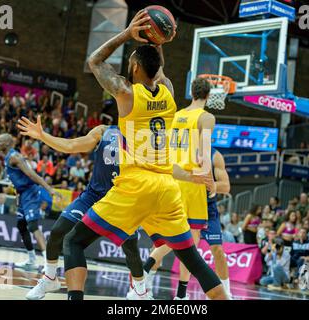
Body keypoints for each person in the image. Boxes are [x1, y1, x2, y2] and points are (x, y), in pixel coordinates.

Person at [63, 10, 227, 301]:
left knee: (73, 242)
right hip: (166, 188)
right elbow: (158, 68)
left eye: (131, 62)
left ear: (136, 67)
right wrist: (159, 39)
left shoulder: (127, 93)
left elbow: (94, 61)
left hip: (135, 185)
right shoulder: (168, 91)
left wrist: (127, 34)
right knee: (192, 259)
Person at [17, 116, 211, 300]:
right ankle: (50, 278)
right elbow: (72, 145)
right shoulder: (104, 131)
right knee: (58, 232)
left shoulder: (144, 138)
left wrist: (191, 174)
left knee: (131, 250)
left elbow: (168, 168)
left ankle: (140, 290)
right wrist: (43, 136)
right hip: (93, 196)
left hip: (124, 201)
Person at [141, 75, 218, 300]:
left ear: (192, 93)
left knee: (175, 238)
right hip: (191, 182)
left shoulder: (177, 115)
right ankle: (178, 293)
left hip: (171, 179)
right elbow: (204, 154)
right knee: (190, 244)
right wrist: (210, 182)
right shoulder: (206, 117)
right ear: (209, 95)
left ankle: (146, 274)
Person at [0, 133, 62, 271]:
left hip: (30, 193)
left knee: (32, 225)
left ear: (6, 143)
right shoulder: (7, 157)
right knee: (21, 225)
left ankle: (49, 263)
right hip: (22, 194)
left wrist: (49, 189)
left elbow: (31, 175)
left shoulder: (15, 157)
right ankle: (31, 260)